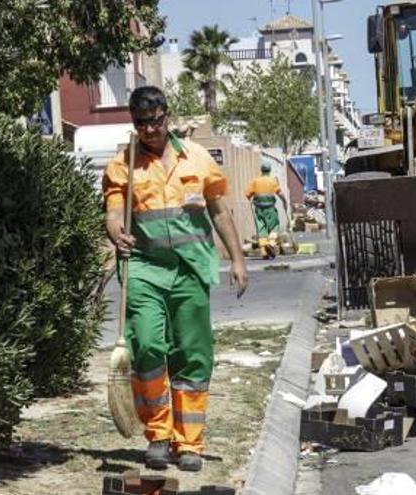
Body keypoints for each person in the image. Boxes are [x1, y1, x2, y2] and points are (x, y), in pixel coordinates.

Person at [103, 86, 248, 472]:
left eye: (155, 120)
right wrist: (116, 232)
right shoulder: (123, 165)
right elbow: (114, 212)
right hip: (144, 269)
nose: (150, 129)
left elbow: (219, 213)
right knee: (148, 347)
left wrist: (237, 259)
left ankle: (189, 444)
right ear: (133, 124)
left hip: (190, 269)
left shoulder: (197, 159)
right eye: (141, 123)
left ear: (167, 115)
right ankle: (159, 436)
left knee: (192, 354)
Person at [245, 162, 288, 259]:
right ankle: (271, 244)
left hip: (259, 209)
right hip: (270, 209)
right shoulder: (273, 181)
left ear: (261, 170)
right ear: (269, 170)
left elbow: (247, 194)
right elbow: (280, 194)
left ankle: (264, 253)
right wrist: (285, 202)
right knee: (275, 226)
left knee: (261, 229)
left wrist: (254, 199)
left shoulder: (255, 181)